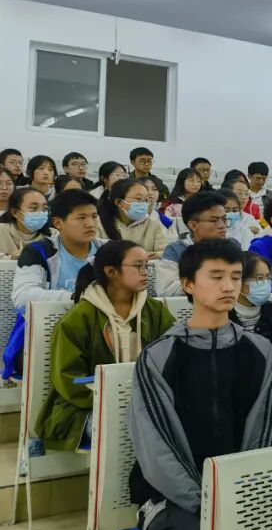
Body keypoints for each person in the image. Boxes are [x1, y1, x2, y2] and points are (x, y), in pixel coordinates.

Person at [129, 238, 272, 530]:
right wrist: (206, 502)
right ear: (188, 284)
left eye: (235, 276)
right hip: (171, 497)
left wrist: (242, 493)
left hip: (240, 490)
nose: (229, 286)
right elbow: (157, 444)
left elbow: (267, 430)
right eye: (216, 276)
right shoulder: (159, 356)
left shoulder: (260, 351)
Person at [35, 240, 174, 451]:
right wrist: (117, 400)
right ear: (111, 271)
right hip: (84, 410)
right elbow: (69, 379)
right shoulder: (77, 319)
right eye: (138, 266)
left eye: (147, 266)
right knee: (132, 427)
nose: (146, 272)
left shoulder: (156, 311)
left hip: (146, 403)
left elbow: (173, 356)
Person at [3, 190, 105, 380]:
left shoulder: (108, 251)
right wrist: (78, 297)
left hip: (97, 332)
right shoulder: (39, 251)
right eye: (81, 218)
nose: (90, 224)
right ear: (58, 223)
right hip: (47, 332)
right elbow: (23, 296)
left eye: (94, 216)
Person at [157, 192, 230, 297]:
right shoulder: (175, 251)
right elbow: (166, 289)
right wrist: (212, 284)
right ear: (193, 225)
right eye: (214, 220)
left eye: (224, 219)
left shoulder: (232, 247)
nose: (222, 225)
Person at [229, 251, 272, 349]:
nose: (266, 283)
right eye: (259, 278)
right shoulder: (224, 314)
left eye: (267, 277)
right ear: (239, 281)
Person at [99, 178, 168, 258]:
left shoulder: (153, 226)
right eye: (138, 199)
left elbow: (165, 252)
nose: (143, 204)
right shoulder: (99, 224)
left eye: (146, 200)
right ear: (118, 202)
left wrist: (155, 255)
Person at [0, 187, 49, 259]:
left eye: (44, 208)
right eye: (34, 208)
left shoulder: (53, 236)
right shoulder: (1, 231)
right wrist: (11, 258)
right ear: (15, 212)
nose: (41, 213)